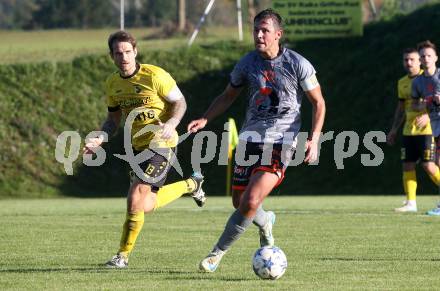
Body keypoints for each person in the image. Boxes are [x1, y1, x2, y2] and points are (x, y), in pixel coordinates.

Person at [187, 8, 325, 272]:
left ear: (278, 34)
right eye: (256, 30)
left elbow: (318, 103)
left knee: (250, 201)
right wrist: (205, 118)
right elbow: (228, 96)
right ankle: (266, 222)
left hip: (282, 142)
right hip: (250, 139)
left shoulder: (298, 63)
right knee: (240, 202)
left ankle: (216, 254)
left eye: (265, 30)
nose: (259, 35)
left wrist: (314, 139)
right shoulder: (247, 63)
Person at [83, 30, 206, 268]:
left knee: (134, 198)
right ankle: (191, 185)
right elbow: (112, 121)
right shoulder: (112, 84)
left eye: (128, 52)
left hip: (162, 144)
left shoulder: (155, 75)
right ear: (111, 56)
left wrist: (171, 124)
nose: (124, 57)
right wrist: (99, 138)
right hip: (137, 148)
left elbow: (180, 102)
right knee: (145, 204)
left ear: (135, 52)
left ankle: (122, 256)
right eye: (118, 53)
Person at [386, 47, 440, 212]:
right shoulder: (402, 82)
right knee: (407, 165)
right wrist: (394, 129)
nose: (409, 63)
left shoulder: (430, 79)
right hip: (409, 130)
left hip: (428, 129)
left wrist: (428, 116)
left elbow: (432, 104)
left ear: (420, 61)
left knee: (429, 165)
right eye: (405, 60)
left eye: (412, 59)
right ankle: (411, 203)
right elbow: (402, 108)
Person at [411, 40, 440, 215]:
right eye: (423, 56)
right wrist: (425, 108)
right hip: (434, 127)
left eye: (429, 55)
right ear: (420, 60)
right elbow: (414, 105)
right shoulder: (418, 82)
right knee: (431, 164)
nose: (426, 58)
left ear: (436, 57)